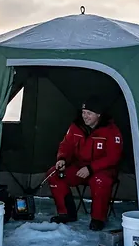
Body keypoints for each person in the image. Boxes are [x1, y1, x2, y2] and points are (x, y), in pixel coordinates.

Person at [47, 96, 123, 231]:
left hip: (102, 170)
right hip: (79, 168)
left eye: (89, 113)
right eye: (83, 112)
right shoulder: (75, 127)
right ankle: (66, 213)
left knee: (100, 180)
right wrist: (62, 159)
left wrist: (91, 168)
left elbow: (113, 157)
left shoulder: (111, 130)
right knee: (54, 173)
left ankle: (98, 219)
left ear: (98, 114)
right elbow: (65, 146)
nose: (85, 116)